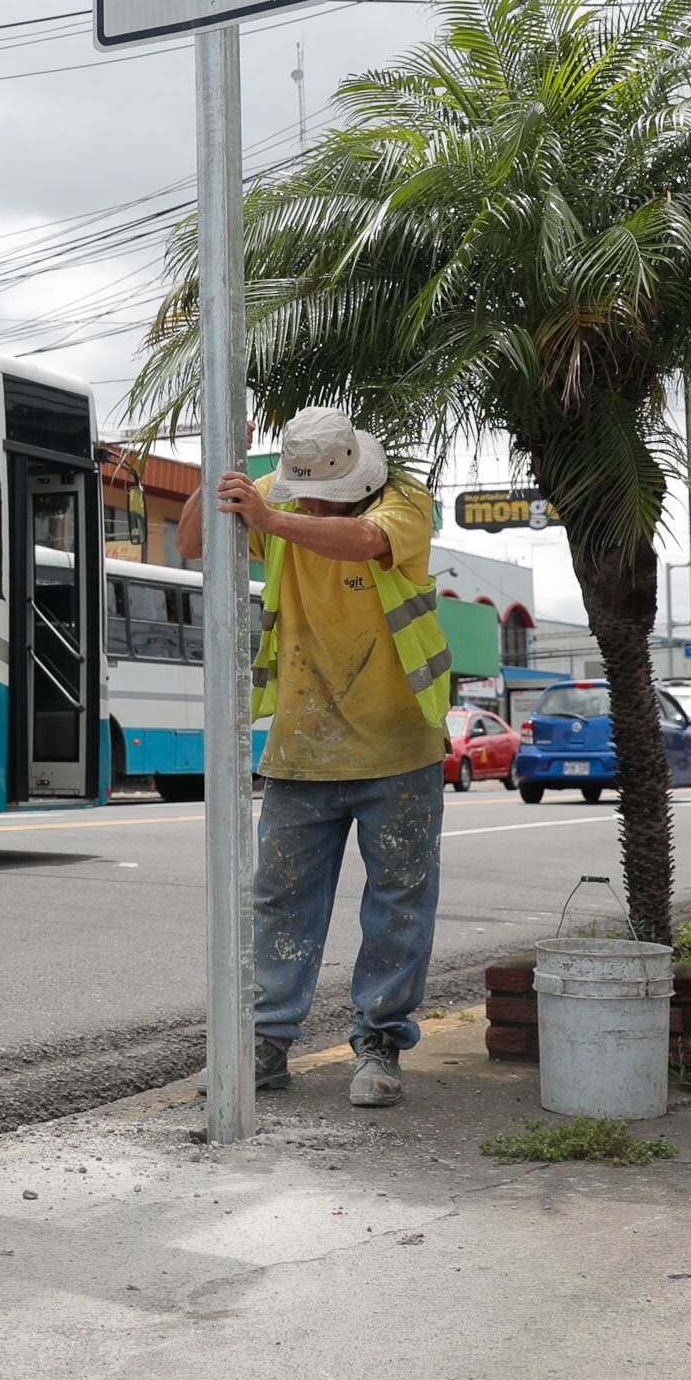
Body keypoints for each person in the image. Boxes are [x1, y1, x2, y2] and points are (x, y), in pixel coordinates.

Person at [211, 406, 454, 1109]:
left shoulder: (402, 502)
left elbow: (365, 540)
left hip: (398, 744)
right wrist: (223, 468)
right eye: (301, 492)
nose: (310, 503)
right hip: (301, 748)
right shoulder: (274, 503)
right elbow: (196, 537)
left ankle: (379, 1040)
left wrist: (272, 516)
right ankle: (266, 1043)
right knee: (280, 899)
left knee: (399, 904)